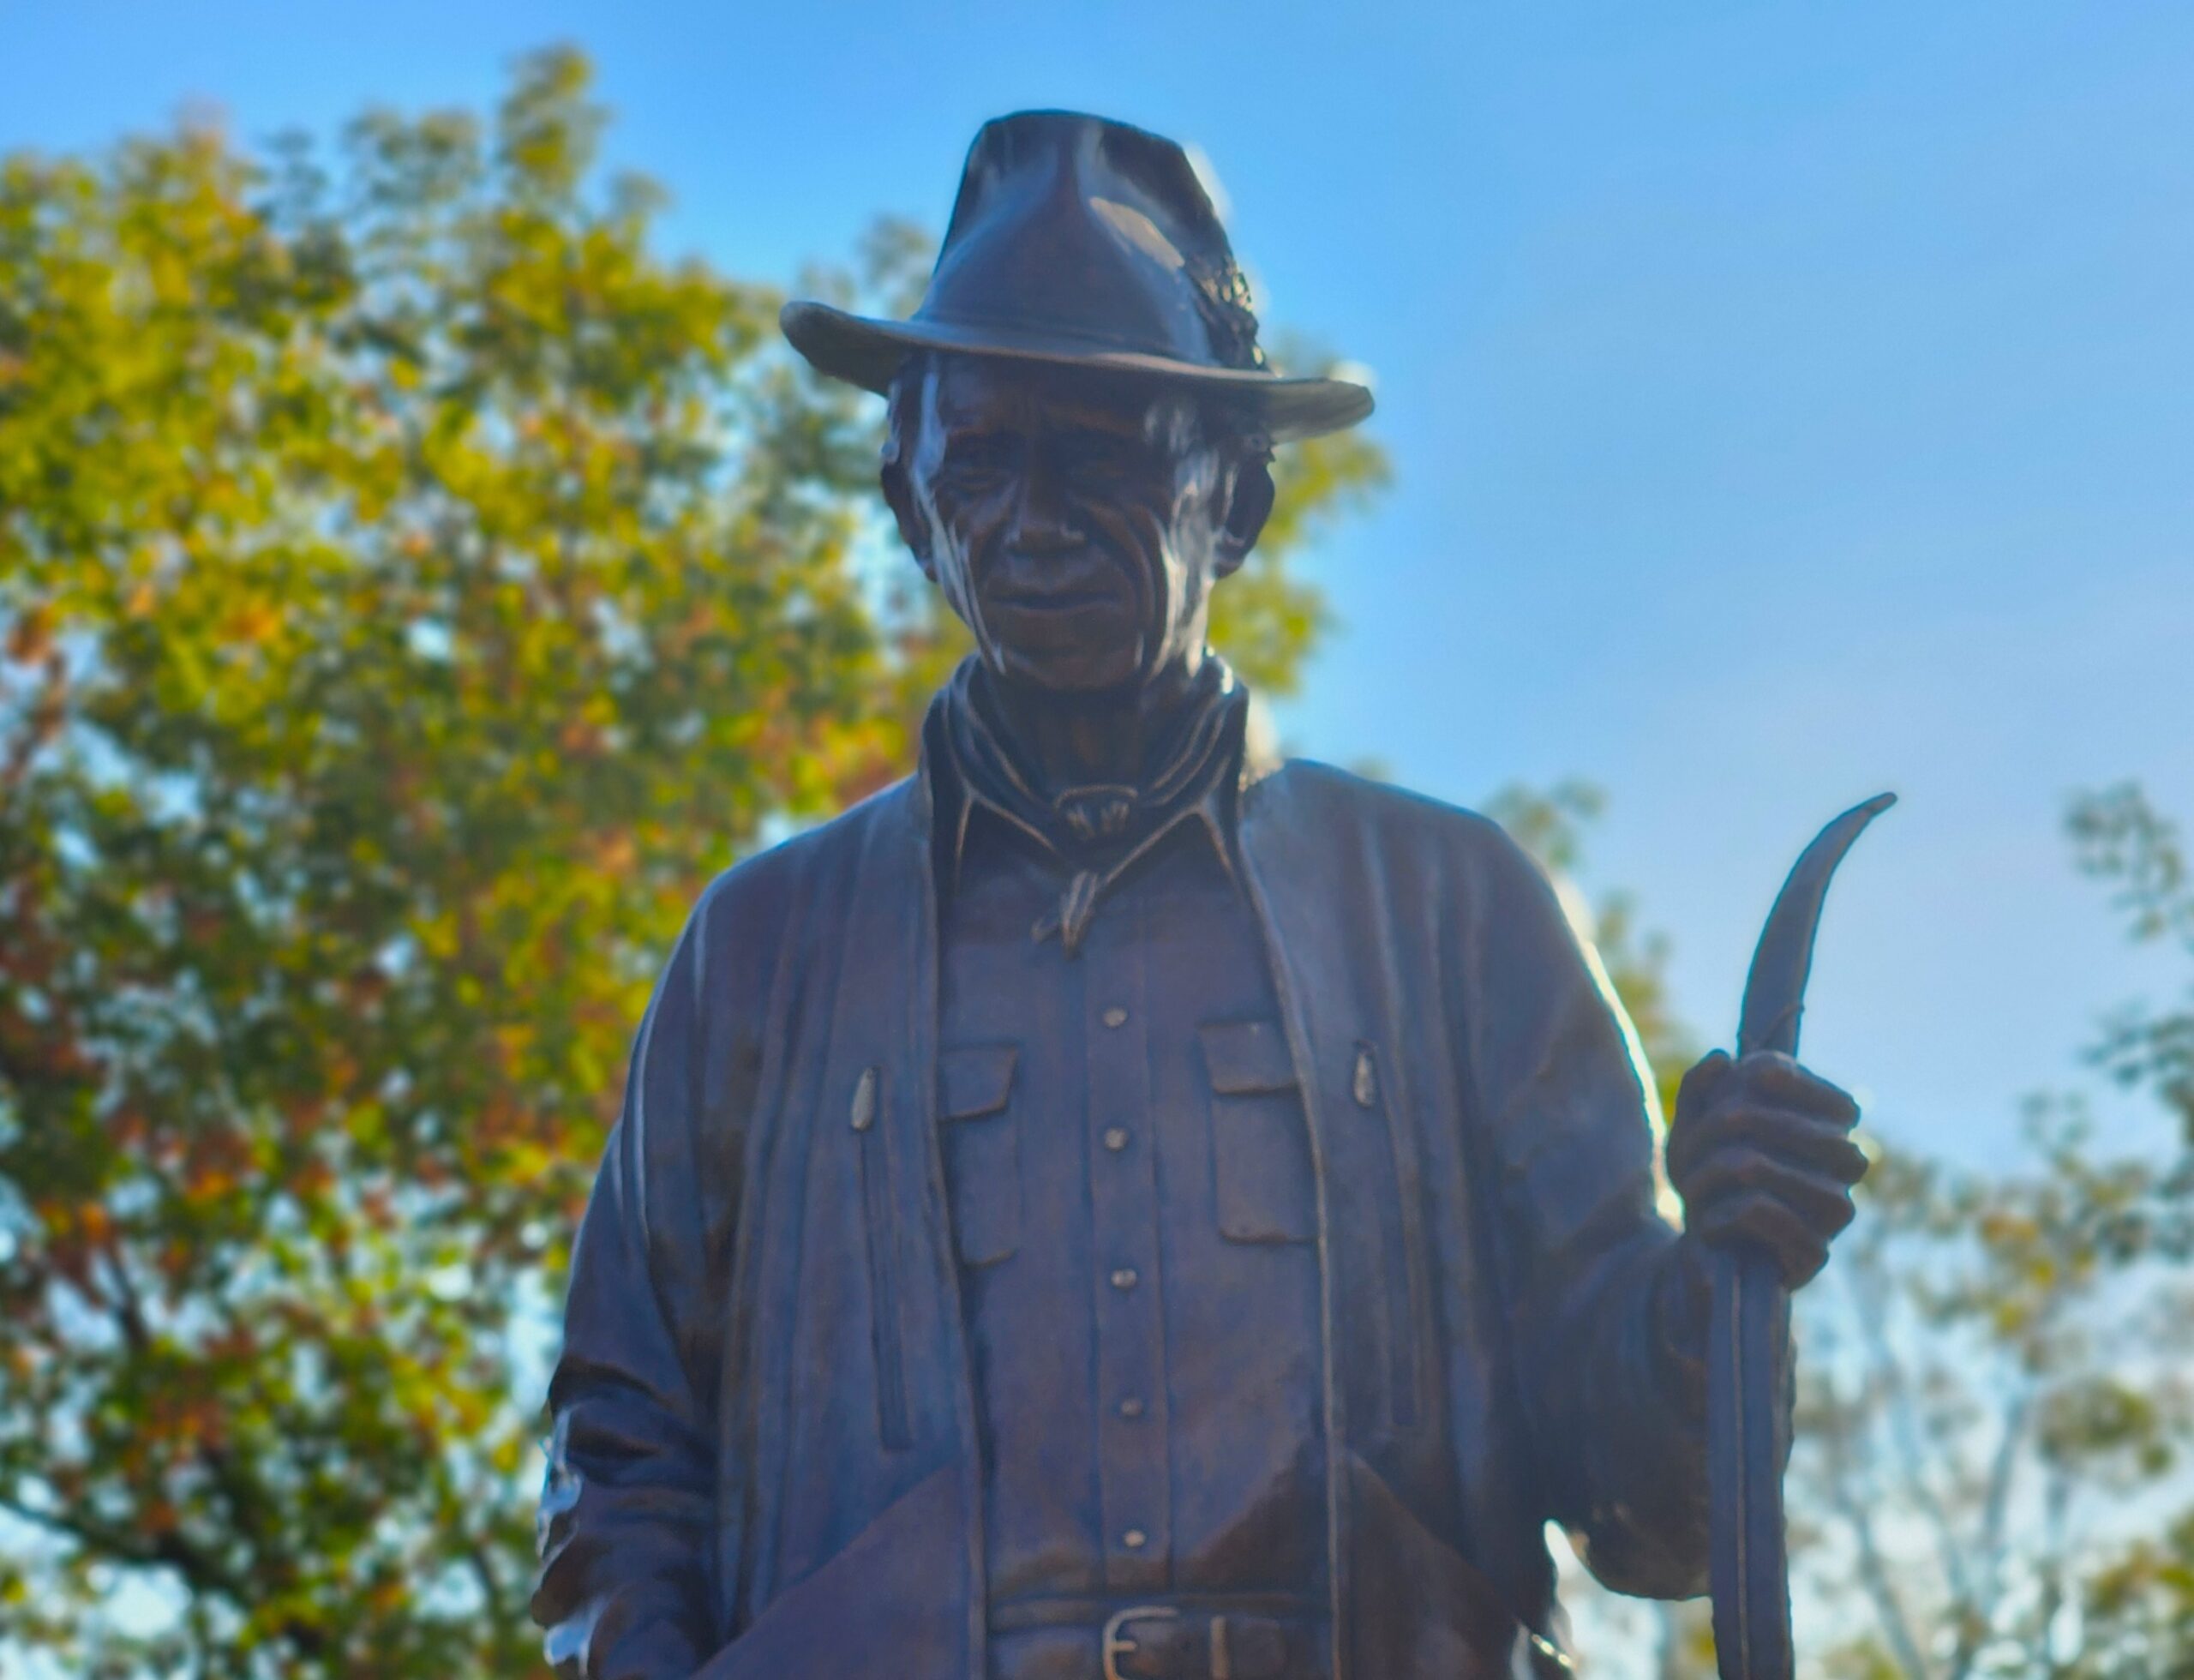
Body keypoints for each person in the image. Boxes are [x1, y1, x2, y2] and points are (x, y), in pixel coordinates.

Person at [531, 111, 1868, 1680]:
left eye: (1101, 457)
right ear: (908, 497)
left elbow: (1653, 1516)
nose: (1030, 519)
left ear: (1235, 498)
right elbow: (626, 1448)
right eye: (980, 458)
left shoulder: (1451, 913)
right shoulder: (761, 951)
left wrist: (1718, 1291)